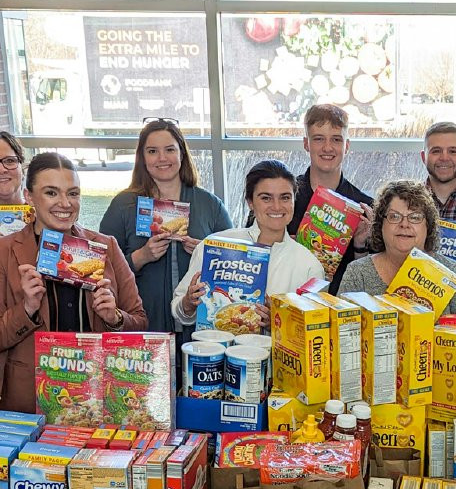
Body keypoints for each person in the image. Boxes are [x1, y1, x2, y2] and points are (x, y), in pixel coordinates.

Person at [0, 153, 145, 413]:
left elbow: (141, 323)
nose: (65, 203)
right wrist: (27, 308)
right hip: (30, 402)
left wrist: (116, 318)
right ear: (29, 196)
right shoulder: (1, 252)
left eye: (73, 193)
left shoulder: (105, 247)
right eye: (51, 193)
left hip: (96, 398)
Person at [98, 119, 233, 335]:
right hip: (144, 325)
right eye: (152, 151)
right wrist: (140, 257)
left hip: (201, 329)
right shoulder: (124, 205)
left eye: (169, 149)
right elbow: (101, 267)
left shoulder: (209, 204)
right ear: (142, 157)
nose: (162, 158)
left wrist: (206, 252)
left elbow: (234, 265)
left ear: (182, 153)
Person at [172, 160, 325, 329]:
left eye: (285, 197)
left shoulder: (310, 266)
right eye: (266, 198)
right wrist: (188, 303)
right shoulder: (215, 246)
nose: (276, 206)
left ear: (294, 201)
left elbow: (313, 332)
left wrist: (275, 323)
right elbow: (180, 313)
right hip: (215, 353)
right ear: (250, 202)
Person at [338, 180, 456, 315]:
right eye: (394, 216)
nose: (404, 224)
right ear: (380, 225)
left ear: (428, 225)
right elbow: (340, 332)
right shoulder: (358, 272)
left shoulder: (451, 272)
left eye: (415, 217)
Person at [287, 103, 373, 294]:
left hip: (342, 310)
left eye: (336, 139)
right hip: (289, 305)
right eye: (318, 139)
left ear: (347, 146)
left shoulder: (365, 207)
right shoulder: (284, 199)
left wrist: (361, 244)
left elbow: (371, 280)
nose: (327, 147)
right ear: (306, 144)